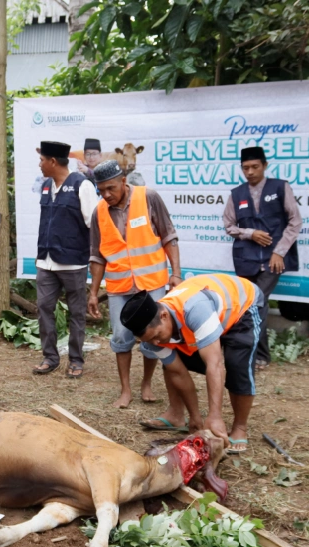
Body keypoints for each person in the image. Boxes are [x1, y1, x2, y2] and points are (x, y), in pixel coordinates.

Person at [120, 273, 266, 453]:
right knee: (174, 361)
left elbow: (214, 364)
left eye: (157, 336)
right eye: (151, 340)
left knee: (237, 366)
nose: (157, 343)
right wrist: (195, 417)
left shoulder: (195, 310)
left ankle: (239, 427)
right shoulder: (153, 336)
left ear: (164, 315)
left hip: (242, 305)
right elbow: (177, 372)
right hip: (207, 315)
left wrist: (215, 416)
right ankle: (176, 415)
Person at [86, 160, 181, 412]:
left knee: (153, 335)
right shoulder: (99, 212)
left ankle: (146, 384)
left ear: (124, 182)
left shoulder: (149, 198)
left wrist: (176, 274)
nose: (106, 195)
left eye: (111, 188)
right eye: (101, 190)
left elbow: (169, 236)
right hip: (119, 286)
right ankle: (125, 389)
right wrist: (94, 293)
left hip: (151, 282)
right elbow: (97, 256)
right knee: (120, 337)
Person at [223, 146, 301, 371]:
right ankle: (248, 349)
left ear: (265, 166)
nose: (250, 172)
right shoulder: (237, 194)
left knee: (256, 301)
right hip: (246, 259)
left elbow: (295, 221)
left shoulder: (280, 187)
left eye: (255, 167)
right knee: (250, 303)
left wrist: (279, 251)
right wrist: (250, 233)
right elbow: (229, 225)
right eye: (245, 167)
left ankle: (261, 355)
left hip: (273, 259)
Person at [32, 141, 99, 379]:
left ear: (52, 161)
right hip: (46, 261)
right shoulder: (46, 186)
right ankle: (50, 357)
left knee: (77, 312)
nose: (39, 164)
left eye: (42, 160)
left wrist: (94, 258)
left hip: (73, 262)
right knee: (44, 309)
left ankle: (76, 360)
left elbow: (94, 224)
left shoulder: (83, 185)